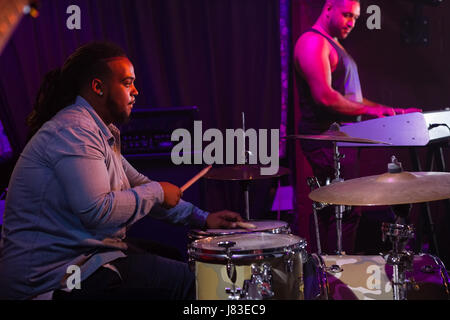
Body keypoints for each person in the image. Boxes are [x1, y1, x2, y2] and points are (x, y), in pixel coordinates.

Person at [0, 42, 243, 300]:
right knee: (195, 284)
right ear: (98, 87)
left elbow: (138, 185)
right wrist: (158, 191)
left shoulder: (97, 131)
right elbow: (98, 211)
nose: (135, 91)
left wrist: (202, 218)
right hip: (49, 278)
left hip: (81, 260)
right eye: (127, 83)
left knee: (173, 258)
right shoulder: (74, 131)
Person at [294, 0, 420, 254]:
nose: (352, 22)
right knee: (343, 211)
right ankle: (332, 278)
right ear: (329, 7)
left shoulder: (333, 44)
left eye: (356, 17)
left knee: (343, 211)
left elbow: (352, 100)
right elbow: (325, 97)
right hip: (327, 142)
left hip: (342, 142)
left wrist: (389, 111)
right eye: (347, 15)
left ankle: (333, 276)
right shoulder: (313, 42)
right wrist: (373, 111)